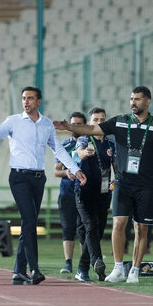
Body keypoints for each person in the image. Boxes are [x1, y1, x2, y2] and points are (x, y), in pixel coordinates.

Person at [0, 87, 85, 285]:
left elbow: (58, 149)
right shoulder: (13, 121)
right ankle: (34, 269)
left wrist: (75, 169)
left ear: (39, 101)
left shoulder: (46, 124)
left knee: (29, 224)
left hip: (38, 178)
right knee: (28, 221)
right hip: (19, 178)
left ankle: (18, 271)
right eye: (23, 98)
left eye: (30, 98)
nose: (26, 102)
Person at [54, 86, 153, 284]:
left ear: (148, 101)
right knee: (118, 224)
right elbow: (92, 129)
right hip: (123, 183)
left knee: (141, 228)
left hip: (146, 185)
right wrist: (69, 127)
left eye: (137, 99)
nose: (133, 102)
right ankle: (118, 269)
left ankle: (134, 270)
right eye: (131, 99)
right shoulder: (120, 121)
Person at [72, 108, 115, 282]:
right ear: (90, 123)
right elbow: (80, 152)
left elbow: (116, 165)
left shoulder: (110, 143)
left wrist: (117, 181)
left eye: (102, 119)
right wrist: (85, 153)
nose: (99, 122)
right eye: (95, 119)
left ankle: (82, 269)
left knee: (98, 230)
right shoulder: (84, 138)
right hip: (84, 191)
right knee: (90, 226)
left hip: (104, 192)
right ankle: (97, 260)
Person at [54, 111, 86, 274]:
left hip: (85, 192)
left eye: (79, 124)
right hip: (67, 192)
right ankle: (68, 263)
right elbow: (55, 171)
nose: (76, 126)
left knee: (83, 229)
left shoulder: (89, 144)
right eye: (73, 123)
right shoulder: (64, 146)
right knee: (68, 228)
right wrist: (66, 173)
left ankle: (83, 263)